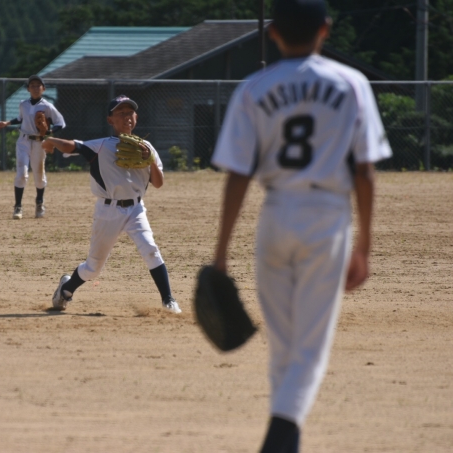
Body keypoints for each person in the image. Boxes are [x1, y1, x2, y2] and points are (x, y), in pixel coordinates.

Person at [210, 0, 392, 451]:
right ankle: (280, 436)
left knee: (284, 345)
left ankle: (285, 440)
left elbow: (238, 174)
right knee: (310, 346)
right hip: (327, 217)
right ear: (325, 30)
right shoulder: (351, 83)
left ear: (272, 32)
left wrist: (221, 253)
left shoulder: (253, 88)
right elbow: (364, 172)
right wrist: (364, 245)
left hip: (275, 214)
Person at [40, 95, 181, 314]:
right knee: (93, 268)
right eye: (121, 113)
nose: (127, 117)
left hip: (136, 209)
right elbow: (72, 146)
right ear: (110, 120)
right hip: (108, 211)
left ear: (136, 117)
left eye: (130, 112)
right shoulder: (101, 146)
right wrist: (50, 140)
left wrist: (150, 160)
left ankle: (168, 300)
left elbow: (159, 183)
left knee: (150, 249)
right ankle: (66, 289)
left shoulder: (147, 147)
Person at [0, 75, 65, 219]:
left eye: (38, 85)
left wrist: (50, 131)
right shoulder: (23, 104)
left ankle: (39, 202)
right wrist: (7, 123)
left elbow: (60, 123)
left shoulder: (47, 106)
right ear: (28, 89)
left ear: (43, 88)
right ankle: (18, 207)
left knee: (39, 176)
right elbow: (20, 119)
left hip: (39, 142)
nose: (35, 88)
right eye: (32, 85)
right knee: (22, 174)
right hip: (23, 141)